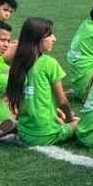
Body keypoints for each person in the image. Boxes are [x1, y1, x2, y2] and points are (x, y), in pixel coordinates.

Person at [9, 17, 77, 146]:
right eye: (50, 35)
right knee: (80, 124)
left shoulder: (18, 62)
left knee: (58, 116)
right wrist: (70, 118)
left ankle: (14, 126)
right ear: (38, 39)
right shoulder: (49, 63)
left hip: (25, 132)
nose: (54, 39)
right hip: (45, 134)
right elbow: (62, 101)